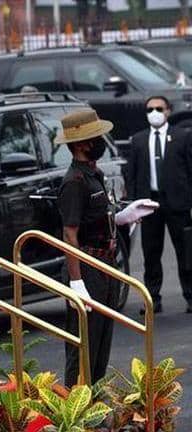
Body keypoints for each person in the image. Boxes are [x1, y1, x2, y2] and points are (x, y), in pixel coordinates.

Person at [56, 109, 157, 387]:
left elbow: (97, 216)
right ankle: (77, 399)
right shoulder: (75, 182)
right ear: (81, 144)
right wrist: (76, 282)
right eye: (96, 137)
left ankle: (95, 397)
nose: (101, 141)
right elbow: (69, 233)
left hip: (105, 265)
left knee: (102, 339)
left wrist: (124, 216)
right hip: (87, 267)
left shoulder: (93, 174)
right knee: (84, 343)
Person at [126, 96, 192, 314]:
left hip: (177, 202)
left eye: (159, 108)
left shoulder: (182, 137)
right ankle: (153, 298)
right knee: (151, 253)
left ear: (168, 111)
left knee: (185, 251)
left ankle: (190, 296)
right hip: (149, 202)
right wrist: (134, 205)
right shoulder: (138, 140)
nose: (154, 113)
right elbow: (132, 174)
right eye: (150, 109)